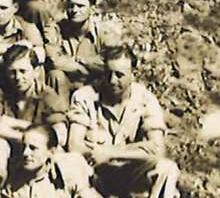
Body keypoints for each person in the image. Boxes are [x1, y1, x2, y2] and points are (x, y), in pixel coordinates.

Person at [68, 45, 180, 198]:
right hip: (95, 173)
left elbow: (157, 150)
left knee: (167, 168)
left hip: (129, 172)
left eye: (119, 75)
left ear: (133, 74)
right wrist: (138, 148)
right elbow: (74, 146)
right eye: (108, 73)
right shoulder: (85, 96)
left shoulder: (146, 100)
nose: (112, 81)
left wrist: (109, 152)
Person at [1, 125, 100, 197]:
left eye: (33, 148)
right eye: (23, 147)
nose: (25, 153)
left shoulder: (68, 173)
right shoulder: (14, 179)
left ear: (51, 152)